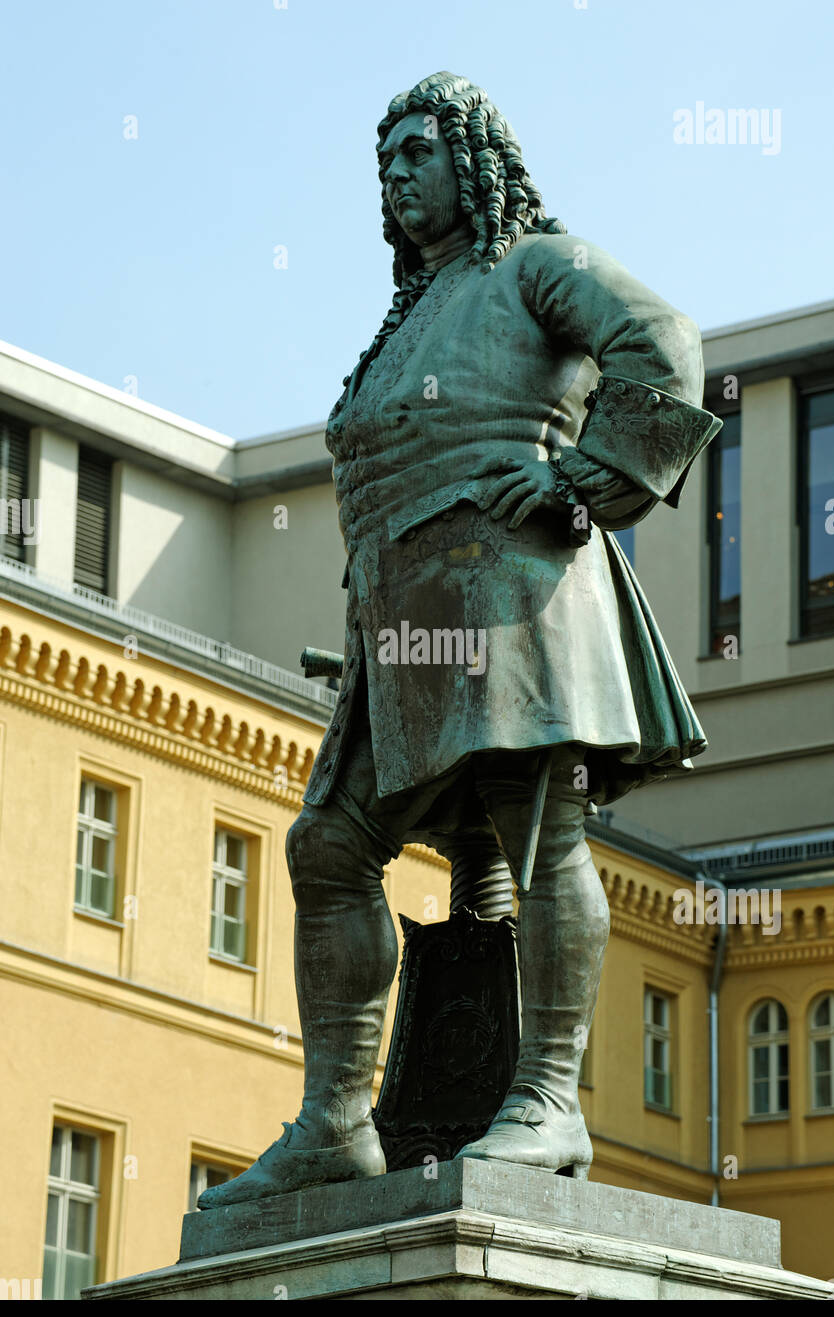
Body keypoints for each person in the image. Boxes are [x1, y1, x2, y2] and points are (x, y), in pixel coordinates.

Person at [198, 72, 721, 1210]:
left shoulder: (532, 264)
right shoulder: (405, 318)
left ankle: (547, 1097)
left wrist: (579, 483)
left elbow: (666, 345)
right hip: (399, 627)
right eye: (382, 160)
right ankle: (338, 1122)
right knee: (329, 848)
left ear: (474, 157)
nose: (395, 173)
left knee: (539, 827)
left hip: (512, 598)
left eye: (418, 150)